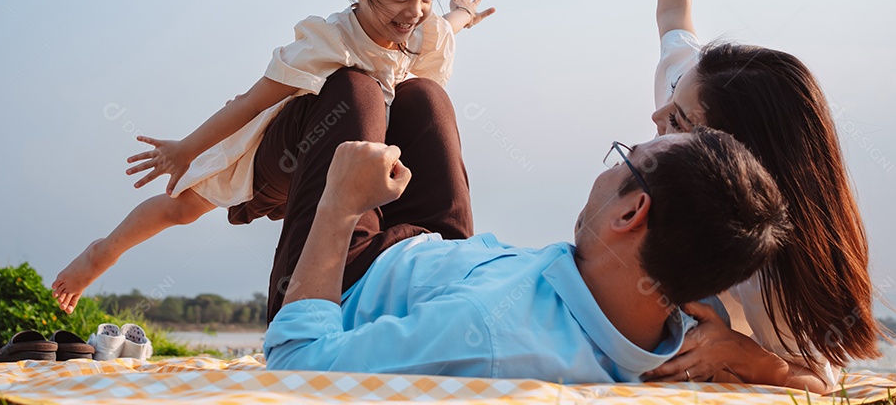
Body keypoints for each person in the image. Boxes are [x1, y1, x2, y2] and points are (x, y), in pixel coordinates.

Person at [51, 0, 496, 314]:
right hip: (287, 155)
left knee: (420, 95)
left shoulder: (417, 31)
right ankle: (101, 253)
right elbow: (251, 102)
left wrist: (463, 13)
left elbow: (444, 28)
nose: (414, 12)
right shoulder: (330, 42)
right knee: (183, 208)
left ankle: (414, 275)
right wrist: (186, 149)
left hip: (357, 162)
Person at [259, 65, 790, 383]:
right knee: (423, 97)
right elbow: (812, 376)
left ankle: (249, 189)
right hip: (445, 259)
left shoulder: (481, 333)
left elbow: (299, 365)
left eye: (624, 158)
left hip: (352, 278)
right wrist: (755, 359)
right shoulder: (671, 326)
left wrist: (338, 203)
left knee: (354, 91)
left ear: (632, 213)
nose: (605, 171)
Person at [641, 0, 882, 391]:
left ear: (736, 160)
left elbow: (820, 381)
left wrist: (748, 359)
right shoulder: (696, 84)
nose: (657, 113)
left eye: (677, 118)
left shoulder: (770, 264)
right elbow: (673, 15)